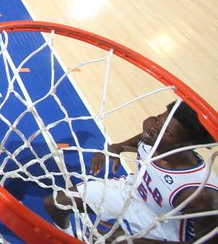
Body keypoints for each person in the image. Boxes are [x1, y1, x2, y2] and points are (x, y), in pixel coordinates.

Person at [43, 101, 218, 242]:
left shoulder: (199, 192)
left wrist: (137, 241)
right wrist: (116, 148)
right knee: (55, 203)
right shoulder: (153, 138)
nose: (153, 128)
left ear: (185, 146)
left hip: (161, 226)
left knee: (116, 241)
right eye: (158, 119)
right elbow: (137, 142)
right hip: (131, 192)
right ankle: (66, 235)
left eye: (167, 132)